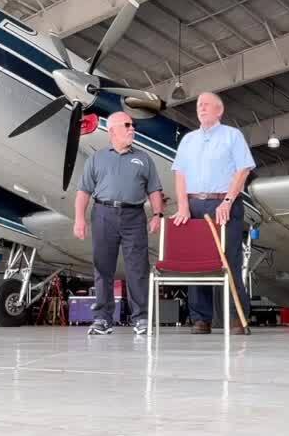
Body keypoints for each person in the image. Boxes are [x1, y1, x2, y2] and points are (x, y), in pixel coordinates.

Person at [172, 91, 255, 335]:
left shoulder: (232, 135)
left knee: (229, 260)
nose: (201, 107)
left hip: (224, 205)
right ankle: (200, 318)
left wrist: (228, 201)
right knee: (197, 262)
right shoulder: (188, 140)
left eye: (207, 104)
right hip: (194, 205)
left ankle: (237, 318)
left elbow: (243, 170)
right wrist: (183, 205)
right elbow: (180, 174)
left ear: (219, 110)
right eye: (199, 104)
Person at [74, 111, 164, 337]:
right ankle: (102, 319)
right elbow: (83, 191)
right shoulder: (96, 158)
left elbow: (154, 189)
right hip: (103, 214)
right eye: (127, 125)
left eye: (133, 125)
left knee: (138, 268)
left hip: (134, 216)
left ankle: (141, 318)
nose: (132, 129)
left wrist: (157, 215)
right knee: (102, 267)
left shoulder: (144, 159)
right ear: (112, 131)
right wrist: (79, 219)